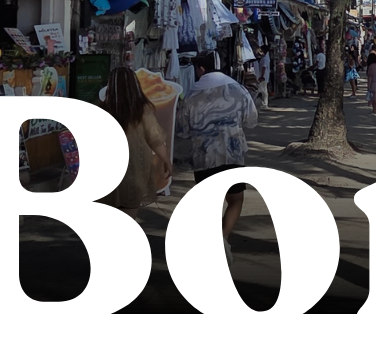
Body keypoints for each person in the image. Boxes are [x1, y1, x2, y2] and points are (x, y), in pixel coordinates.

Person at [176, 51, 259, 240]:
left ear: (201, 69)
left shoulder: (191, 94)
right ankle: (223, 236)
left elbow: (182, 130)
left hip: (204, 156)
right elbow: (252, 120)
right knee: (235, 199)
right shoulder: (238, 89)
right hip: (233, 154)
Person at [100, 66, 170, 213]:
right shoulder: (142, 109)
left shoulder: (103, 109)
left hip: (108, 166)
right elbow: (155, 139)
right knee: (130, 209)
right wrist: (167, 161)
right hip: (136, 165)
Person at [364, 47, 376, 112]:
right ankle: (374, 109)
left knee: (373, 97)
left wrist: (368, 86)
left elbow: (370, 77)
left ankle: (374, 110)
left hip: (373, 82)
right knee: (375, 96)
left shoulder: (371, 66)